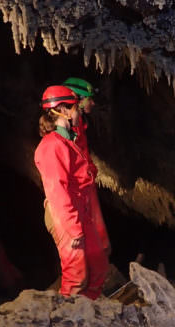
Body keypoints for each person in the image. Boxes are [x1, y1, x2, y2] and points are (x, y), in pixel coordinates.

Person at [34, 85, 109, 299]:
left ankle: (88, 311)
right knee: (76, 275)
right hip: (64, 215)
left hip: (80, 211)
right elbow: (57, 190)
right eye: (76, 107)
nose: (78, 112)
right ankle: (67, 322)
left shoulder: (67, 141)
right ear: (64, 111)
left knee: (99, 266)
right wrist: (73, 228)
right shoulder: (51, 146)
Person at [62, 77, 111, 256]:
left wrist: (91, 169)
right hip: (79, 192)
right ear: (78, 100)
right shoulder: (67, 131)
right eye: (89, 98)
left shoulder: (79, 125)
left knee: (99, 239)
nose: (92, 102)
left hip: (86, 186)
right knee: (91, 244)